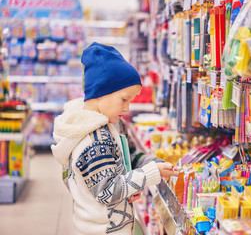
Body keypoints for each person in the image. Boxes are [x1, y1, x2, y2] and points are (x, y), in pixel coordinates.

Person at [51, 42, 179, 235]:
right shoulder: (93, 141)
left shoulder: (112, 125)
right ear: (101, 93)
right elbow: (107, 192)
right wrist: (148, 175)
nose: (127, 108)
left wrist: (156, 165)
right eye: (124, 99)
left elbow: (131, 157)